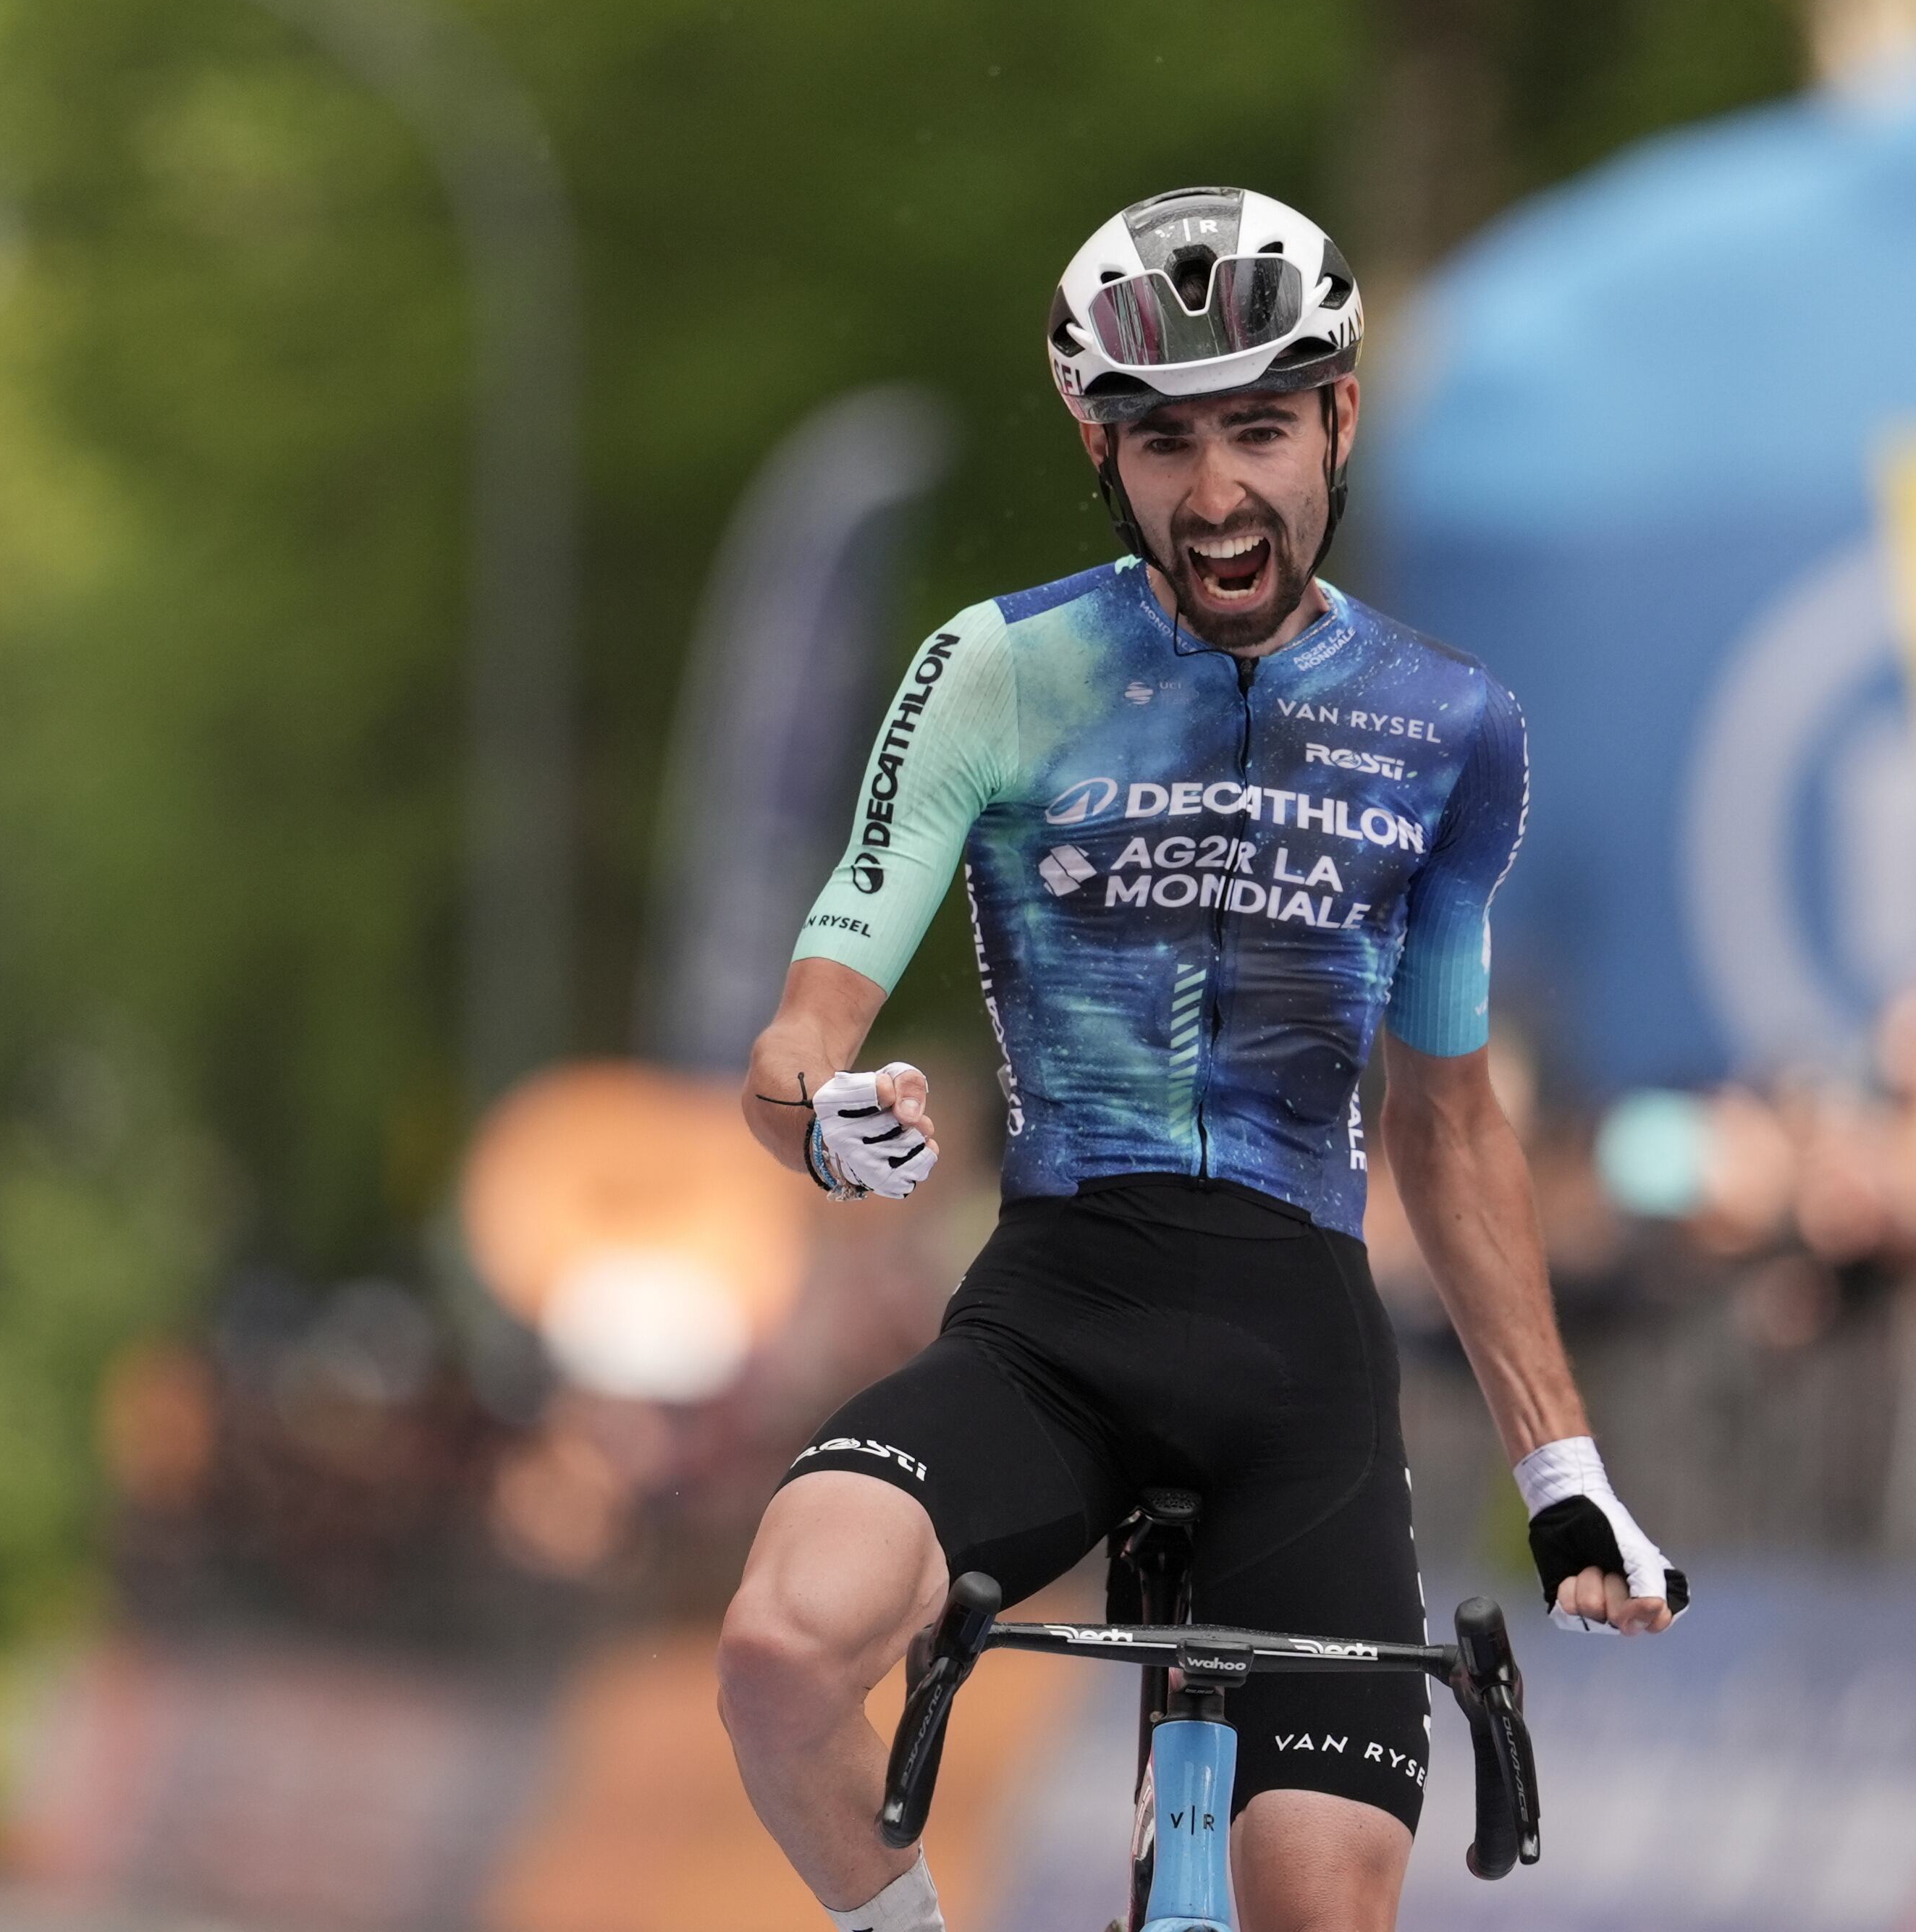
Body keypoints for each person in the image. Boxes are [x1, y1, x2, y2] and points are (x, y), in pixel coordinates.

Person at [716, 187, 1683, 1932]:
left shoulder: (1450, 725)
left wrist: (1561, 1470)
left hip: (1297, 1360)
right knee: (781, 1648)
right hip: (1050, 1328)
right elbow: (797, 1039)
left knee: (1315, 1901)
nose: (1218, 490)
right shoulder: (999, 670)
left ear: (1340, 419)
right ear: (1100, 448)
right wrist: (822, 1120)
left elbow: (1450, 1124)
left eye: (1258, 427)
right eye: (1165, 439)